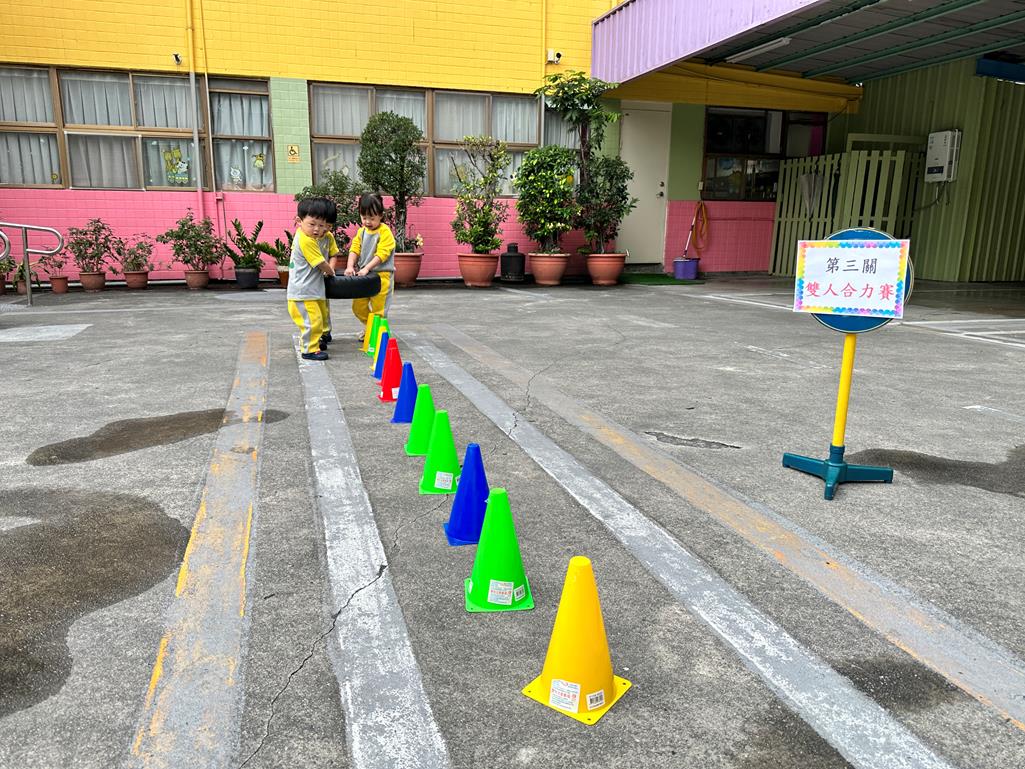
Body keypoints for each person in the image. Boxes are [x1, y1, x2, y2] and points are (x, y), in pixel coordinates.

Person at [287, 197, 338, 361]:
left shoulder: (310, 236)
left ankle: (315, 343)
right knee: (312, 321)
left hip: (311, 290)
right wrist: (331, 272)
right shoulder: (306, 240)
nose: (317, 229)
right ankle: (309, 350)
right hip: (303, 292)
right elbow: (321, 263)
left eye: (321, 225)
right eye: (312, 224)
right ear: (299, 221)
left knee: (318, 318)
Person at [345, 193, 395, 340]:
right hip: (363, 276)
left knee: (379, 310)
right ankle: (371, 328)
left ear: (381, 215)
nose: (367, 222)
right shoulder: (361, 232)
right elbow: (354, 249)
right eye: (364, 217)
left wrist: (367, 267)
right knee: (358, 307)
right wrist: (350, 266)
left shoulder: (385, 232)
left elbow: (382, 253)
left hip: (382, 276)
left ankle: (377, 336)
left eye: (372, 218)